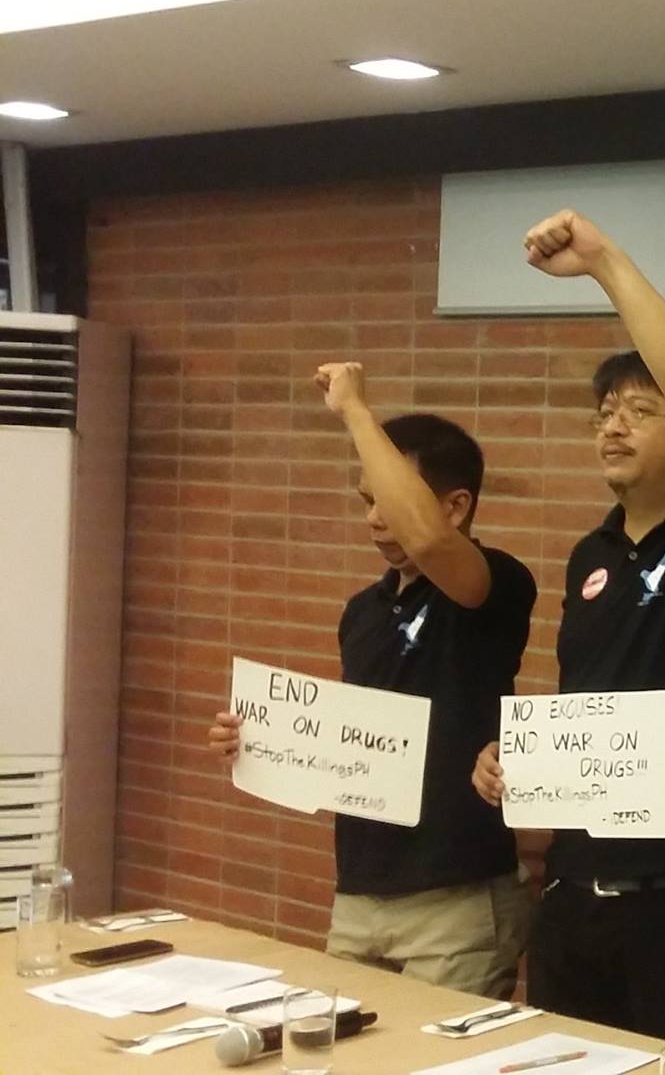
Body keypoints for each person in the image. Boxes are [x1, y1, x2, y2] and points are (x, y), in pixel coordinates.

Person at [470, 210, 665, 1050]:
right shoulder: (591, 555)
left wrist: (605, 262)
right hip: (573, 895)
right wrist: (518, 760)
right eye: (604, 411)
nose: (612, 425)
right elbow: (588, 702)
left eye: (641, 410)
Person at [207, 365, 536, 998]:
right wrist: (259, 743)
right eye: (367, 501)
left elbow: (432, 544)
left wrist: (356, 411)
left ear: (455, 506)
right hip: (360, 891)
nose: (377, 520)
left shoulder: (496, 583)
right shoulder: (363, 611)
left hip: (454, 896)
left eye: (390, 498)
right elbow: (345, 741)